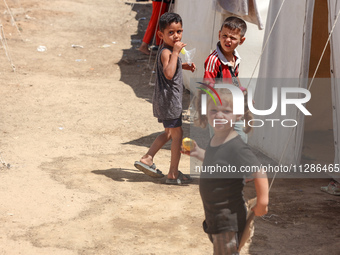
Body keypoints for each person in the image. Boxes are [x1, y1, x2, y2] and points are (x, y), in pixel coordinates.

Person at [183, 88, 269, 254]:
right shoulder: (217, 138)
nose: (219, 115)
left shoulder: (236, 146)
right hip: (215, 214)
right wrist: (198, 152)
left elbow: (259, 171)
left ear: (238, 116)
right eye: (214, 110)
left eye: (226, 111)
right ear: (206, 114)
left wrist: (263, 202)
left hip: (227, 218)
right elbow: (217, 161)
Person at [134, 12, 196, 184]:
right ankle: (173, 174)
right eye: (171, 32)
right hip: (169, 102)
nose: (176, 36)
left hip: (166, 100)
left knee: (169, 133)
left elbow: (170, 67)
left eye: (179, 31)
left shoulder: (168, 51)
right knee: (177, 135)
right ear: (161, 35)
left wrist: (184, 65)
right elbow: (168, 73)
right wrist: (176, 52)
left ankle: (147, 158)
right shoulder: (166, 52)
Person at [204, 16, 248, 143]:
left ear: (242, 40)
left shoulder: (235, 58)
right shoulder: (214, 60)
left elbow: (234, 77)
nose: (227, 40)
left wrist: (243, 93)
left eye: (233, 38)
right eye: (224, 36)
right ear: (219, 35)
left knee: (240, 140)